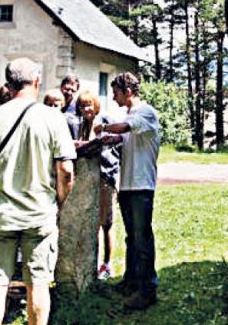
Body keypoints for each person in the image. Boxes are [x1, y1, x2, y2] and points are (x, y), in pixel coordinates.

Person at [0, 58, 76, 325]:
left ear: (8, 84)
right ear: (37, 82)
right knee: (38, 284)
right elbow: (66, 171)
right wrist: (59, 202)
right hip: (39, 214)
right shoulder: (52, 117)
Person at [95, 72, 160, 310]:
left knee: (142, 239)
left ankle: (147, 289)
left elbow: (124, 127)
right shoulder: (132, 114)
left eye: (116, 92)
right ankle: (131, 281)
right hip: (128, 185)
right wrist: (109, 139)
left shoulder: (145, 112)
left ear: (128, 92)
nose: (114, 97)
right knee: (132, 237)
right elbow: (124, 136)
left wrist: (102, 127)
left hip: (142, 185)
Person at [72, 90, 120, 281]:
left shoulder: (103, 121)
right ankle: (94, 263)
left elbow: (98, 146)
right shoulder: (83, 124)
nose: (86, 109)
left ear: (96, 105)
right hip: (91, 178)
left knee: (106, 223)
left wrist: (77, 145)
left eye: (89, 104)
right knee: (94, 223)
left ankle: (107, 264)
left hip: (106, 177)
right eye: (82, 105)